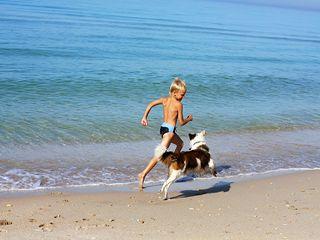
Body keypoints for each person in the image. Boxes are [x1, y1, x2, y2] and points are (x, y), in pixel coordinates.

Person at [138, 77, 193, 190]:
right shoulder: (179, 105)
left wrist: (144, 117)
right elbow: (181, 122)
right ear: (174, 93)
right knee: (159, 155)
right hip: (169, 133)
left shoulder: (165, 100)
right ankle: (143, 174)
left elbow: (151, 104)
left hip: (164, 128)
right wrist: (189, 119)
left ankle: (172, 166)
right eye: (182, 94)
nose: (183, 97)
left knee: (180, 144)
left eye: (184, 94)